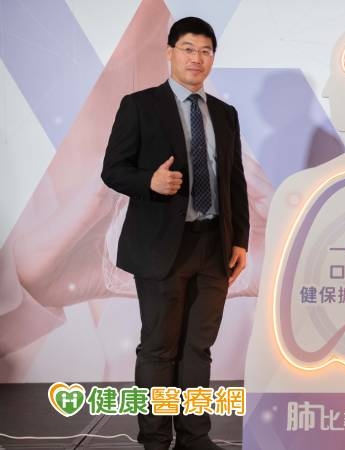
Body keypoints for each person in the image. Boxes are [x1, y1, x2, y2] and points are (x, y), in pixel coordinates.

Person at [101, 16, 249, 450]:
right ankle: (155, 440)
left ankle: (194, 437)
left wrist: (240, 240)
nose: (196, 59)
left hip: (213, 246)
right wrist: (149, 181)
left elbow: (234, 182)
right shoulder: (140, 105)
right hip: (161, 247)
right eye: (188, 49)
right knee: (160, 348)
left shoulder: (225, 114)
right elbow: (113, 170)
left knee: (198, 348)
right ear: (169, 52)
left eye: (205, 51)